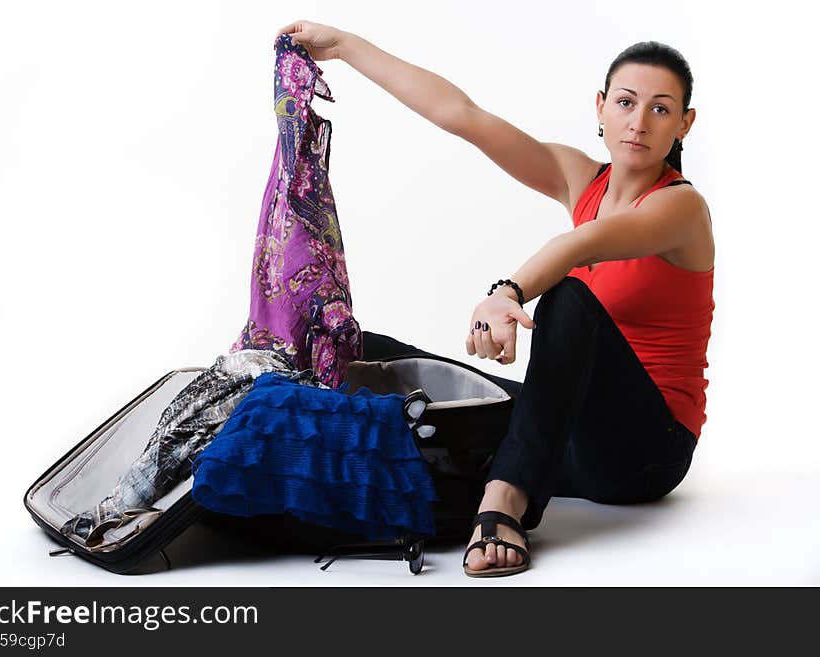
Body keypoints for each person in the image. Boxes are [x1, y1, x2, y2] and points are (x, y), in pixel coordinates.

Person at [275, 20, 714, 577]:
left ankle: (504, 501)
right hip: (566, 432)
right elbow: (463, 116)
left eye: (659, 108)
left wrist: (506, 294)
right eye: (626, 102)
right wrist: (344, 48)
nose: (638, 121)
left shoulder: (681, 208)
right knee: (367, 352)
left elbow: (585, 241)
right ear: (601, 107)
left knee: (569, 298)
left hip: (646, 452)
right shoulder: (581, 179)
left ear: (684, 123)